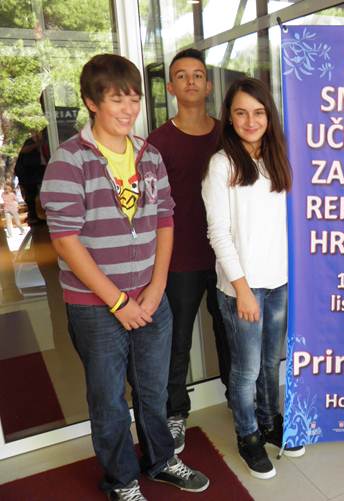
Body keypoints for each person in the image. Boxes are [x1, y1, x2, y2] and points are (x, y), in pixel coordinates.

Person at [40, 53, 209, 500]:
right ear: (91, 102)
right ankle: (121, 480)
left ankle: (161, 460)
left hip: (151, 298)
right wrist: (117, 302)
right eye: (117, 100)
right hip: (96, 308)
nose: (129, 109)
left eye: (134, 99)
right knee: (109, 400)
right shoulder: (69, 161)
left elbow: (166, 220)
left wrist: (156, 288)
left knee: (154, 391)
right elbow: (66, 242)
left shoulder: (149, 155)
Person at [202, 77, 304, 480]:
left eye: (258, 112)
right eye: (241, 112)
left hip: (278, 282)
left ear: (269, 115)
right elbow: (218, 233)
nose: (250, 120)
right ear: (229, 116)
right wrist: (242, 290)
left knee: (269, 362)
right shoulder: (222, 164)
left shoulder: (278, 158)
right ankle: (248, 436)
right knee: (246, 371)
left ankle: (269, 420)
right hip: (241, 288)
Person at [148, 48, 231, 454]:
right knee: (177, 340)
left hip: (226, 256)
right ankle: (175, 413)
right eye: (182, 76)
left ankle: (240, 400)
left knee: (230, 333)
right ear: (170, 88)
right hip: (180, 258)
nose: (191, 81)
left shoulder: (228, 134)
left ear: (208, 85)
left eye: (198, 74)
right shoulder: (158, 142)